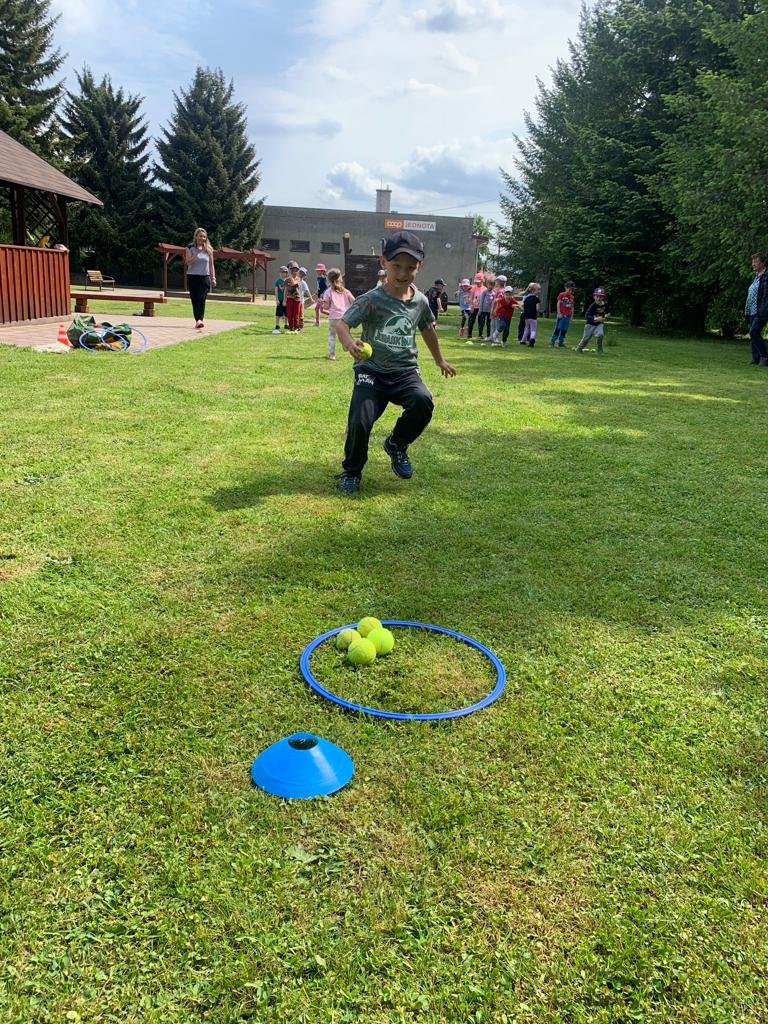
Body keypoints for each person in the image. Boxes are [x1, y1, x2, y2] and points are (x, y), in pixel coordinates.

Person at [333, 230, 456, 494]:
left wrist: (440, 360)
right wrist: (349, 343)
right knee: (360, 420)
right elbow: (342, 324)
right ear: (383, 263)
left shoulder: (421, 301)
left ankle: (397, 444)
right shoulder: (371, 300)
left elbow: (427, 330)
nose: (403, 273)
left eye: (410, 268)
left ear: (419, 267)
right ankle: (351, 472)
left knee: (423, 401)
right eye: (396, 266)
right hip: (371, 372)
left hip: (404, 371)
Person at [184, 227, 216, 328]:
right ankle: (197, 319)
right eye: (200, 236)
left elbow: (211, 265)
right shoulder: (189, 248)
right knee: (194, 299)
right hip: (192, 277)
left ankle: (200, 320)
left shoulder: (209, 249)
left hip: (204, 277)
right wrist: (197, 253)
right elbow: (188, 262)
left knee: (202, 298)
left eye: (204, 237)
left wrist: (213, 277)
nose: (202, 238)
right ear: (196, 236)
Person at [320, 267, 355, 360]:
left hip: (333, 318)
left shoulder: (327, 292)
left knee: (332, 335)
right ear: (340, 279)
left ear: (328, 280)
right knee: (345, 334)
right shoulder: (345, 291)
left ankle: (332, 354)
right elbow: (354, 301)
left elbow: (326, 307)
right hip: (345, 317)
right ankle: (346, 346)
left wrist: (322, 303)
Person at [745, 253, 768, 366]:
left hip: (761, 310)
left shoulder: (766, 276)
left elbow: (765, 295)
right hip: (751, 310)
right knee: (753, 333)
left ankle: (765, 356)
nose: (753, 264)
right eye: (753, 261)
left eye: (756, 261)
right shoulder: (756, 276)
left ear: (763, 263)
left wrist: (763, 310)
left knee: (753, 331)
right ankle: (756, 358)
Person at [574, 287, 609, 353]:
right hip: (590, 324)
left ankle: (599, 349)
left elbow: (607, 312)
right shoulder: (593, 306)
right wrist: (595, 318)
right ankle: (579, 348)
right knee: (586, 339)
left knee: (600, 334)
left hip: (599, 324)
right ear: (594, 297)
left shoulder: (605, 304)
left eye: (601, 296)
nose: (599, 298)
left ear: (603, 297)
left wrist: (605, 316)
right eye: (597, 296)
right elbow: (587, 315)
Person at [550, 281, 575, 347]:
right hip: (561, 315)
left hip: (568, 316)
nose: (570, 291)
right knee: (558, 328)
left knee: (564, 329)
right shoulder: (561, 295)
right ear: (565, 288)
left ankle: (561, 342)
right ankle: (553, 341)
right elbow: (558, 304)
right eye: (569, 289)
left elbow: (572, 307)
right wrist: (559, 313)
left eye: (572, 290)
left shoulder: (572, 297)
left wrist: (571, 316)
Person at [283, 264, 303, 333]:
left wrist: (290, 277)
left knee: (296, 314)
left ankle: (296, 327)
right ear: (291, 271)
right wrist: (284, 300)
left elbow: (294, 284)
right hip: (289, 298)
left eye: (296, 270)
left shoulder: (298, 278)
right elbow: (285, 289)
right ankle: (291, 327)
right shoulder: (287, 280)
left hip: (297, 299)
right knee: (289, 314)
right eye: (293, 270)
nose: (295, 271)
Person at [467, 273, 485, 340]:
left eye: (479, 282)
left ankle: (480, 335)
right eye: (476, 282)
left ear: (482, 281)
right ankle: (469, 334)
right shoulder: (473, 288)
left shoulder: (484, 289)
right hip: (474, 307)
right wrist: (471, 306)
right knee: (471, 321)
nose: (478, 283)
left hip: (481, 308)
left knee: (481, 321)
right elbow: (471, 298)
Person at [273, 264, 288, 334]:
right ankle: (277, 325)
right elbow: (276, 290)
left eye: (284, 272)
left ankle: (286, 324)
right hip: (280, 299)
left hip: (286, 300)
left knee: (286, 313)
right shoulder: (278, 281)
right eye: (281, 272)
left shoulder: (287, 281)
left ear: (286, 273)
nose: (282, 274)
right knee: (278, 313)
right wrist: (277, 299)